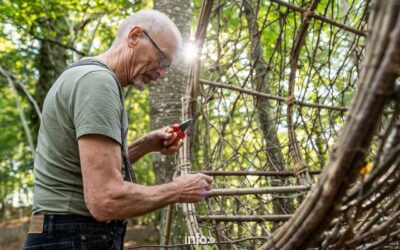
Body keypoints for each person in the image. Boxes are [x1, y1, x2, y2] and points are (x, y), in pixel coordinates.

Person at [24, 9, 212, 250]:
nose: (163, 74)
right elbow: (105, 200)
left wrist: (144, 145)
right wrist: (179, 190)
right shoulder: (98, 83)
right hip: (74, 235)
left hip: (58, 233)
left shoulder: (82, 73)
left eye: (168, 67)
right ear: (134, 36)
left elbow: (87, 169)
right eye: (162, 60)